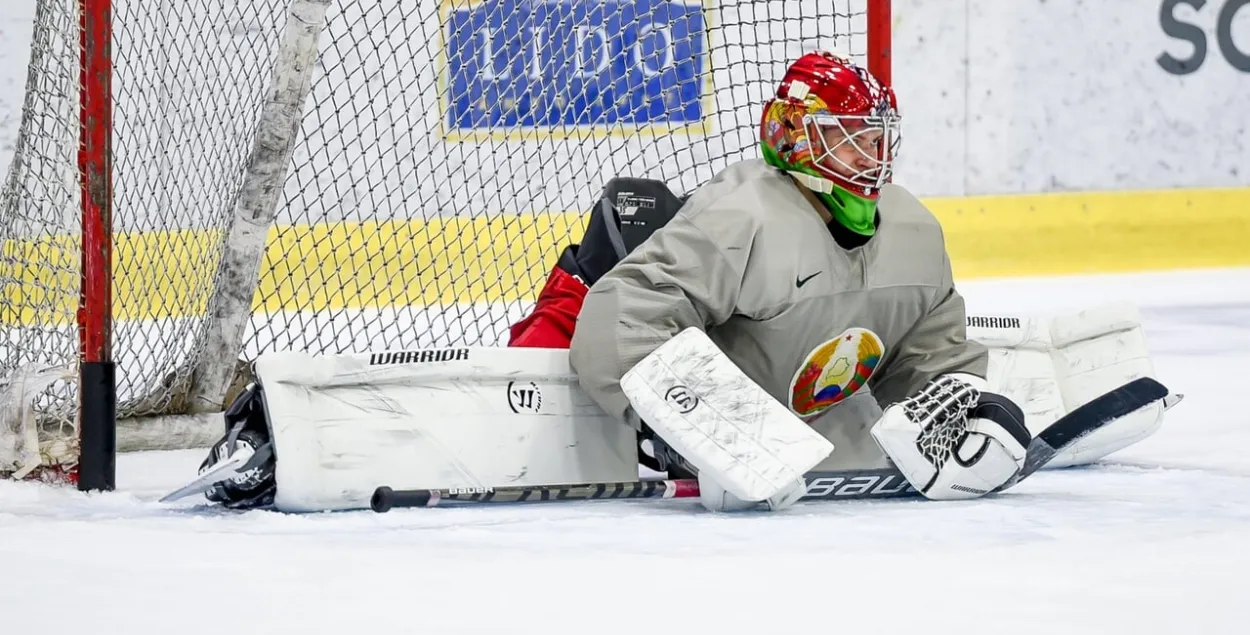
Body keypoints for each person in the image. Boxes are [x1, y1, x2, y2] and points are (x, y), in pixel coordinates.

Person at [565, 50, 1031, 511]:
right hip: (721, 468)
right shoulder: (739, 214)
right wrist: (698, 430)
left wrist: (956, 408)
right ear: (792, 136)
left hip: (821, 454)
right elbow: (618, 319)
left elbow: (928, 353)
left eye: (875, 139)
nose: (871, 156)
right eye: (846, 137)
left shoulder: (915, 229)